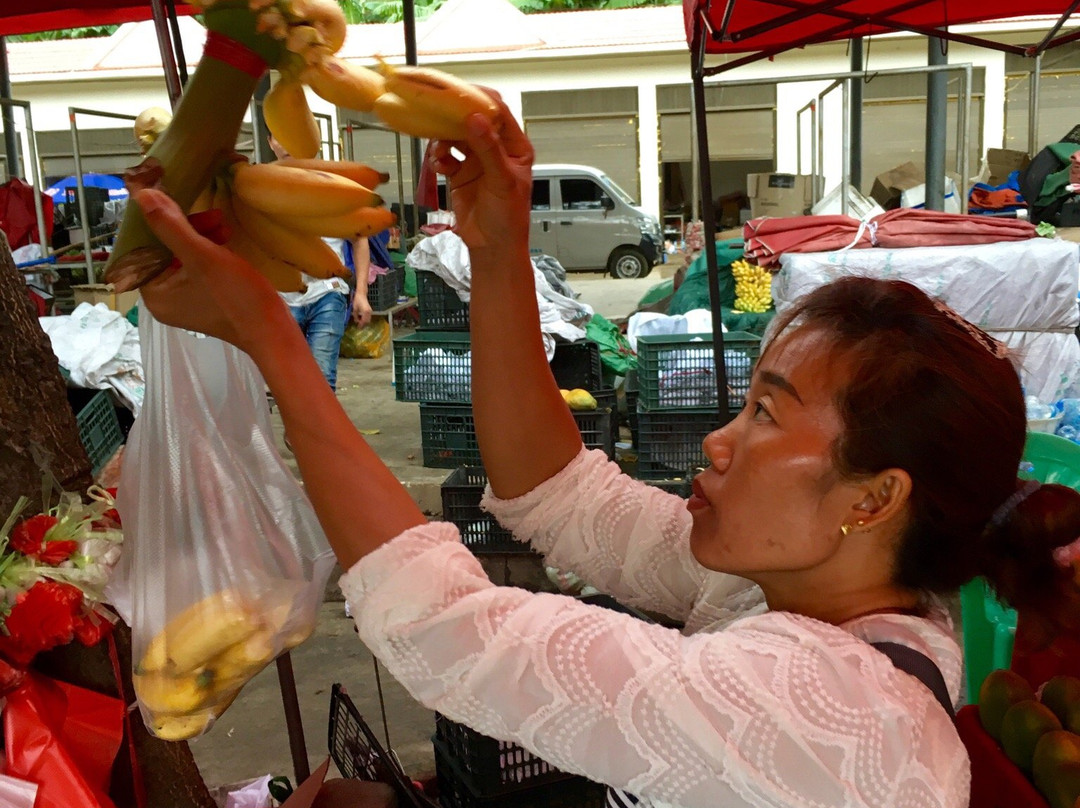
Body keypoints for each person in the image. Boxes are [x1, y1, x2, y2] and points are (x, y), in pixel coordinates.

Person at [131, 95, 1080, 808]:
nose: (717, 439)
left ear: (873, 499)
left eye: (764, 415)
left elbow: (442, 627)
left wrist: (273, 340)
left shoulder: (834, 709)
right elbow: (560, 492)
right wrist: (498, 241)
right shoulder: (784, 590)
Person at [268, 135, 372, 391]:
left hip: (328, 292)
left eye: (292, 133)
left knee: (323, 381)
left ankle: (316, 432)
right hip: (282, 298)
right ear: (271, 142)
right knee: (287, 384)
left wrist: (361, 292)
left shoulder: (332, 185)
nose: (287, 143)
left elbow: (360, 239)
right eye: (280, 137)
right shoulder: (263, 188)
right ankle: (296, 432)